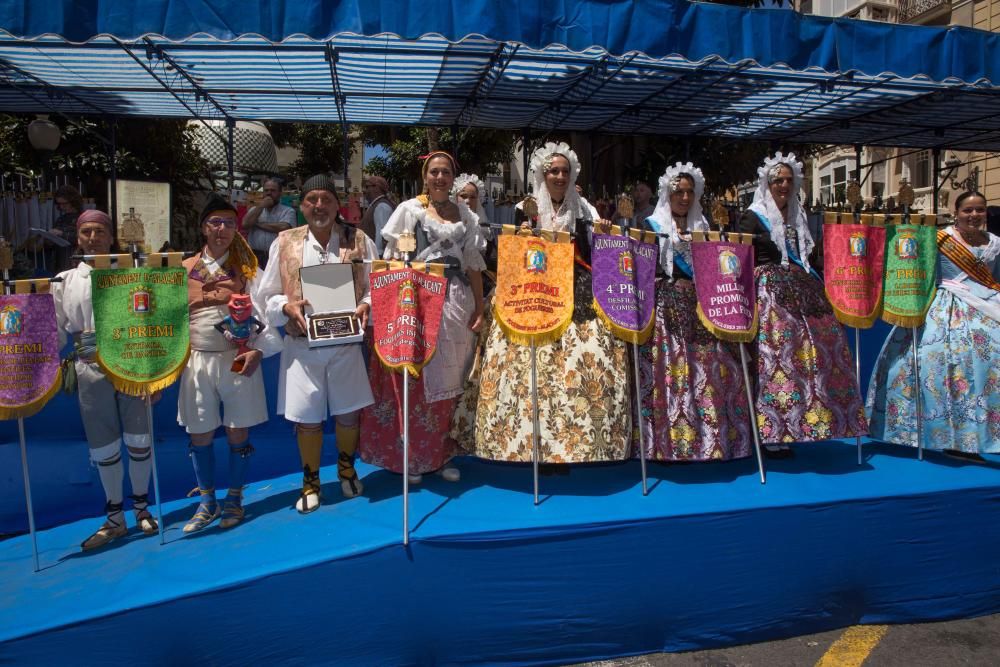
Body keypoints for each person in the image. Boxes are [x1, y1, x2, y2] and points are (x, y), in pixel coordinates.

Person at [452, 142, 631, 464]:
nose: (560, 176)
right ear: (542, 174)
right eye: (554, 171)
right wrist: (522, 238)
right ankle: (532, 444)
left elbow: (594, 255)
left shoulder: (585, 209)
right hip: (534, 294)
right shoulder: (526, 208)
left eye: (565, 171)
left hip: (577, 295)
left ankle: (577, 443)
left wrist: (602, 235)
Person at [360, 152, 486, 483]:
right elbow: (392, 260)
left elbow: (473, 264)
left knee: (453, 379)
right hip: (419, 299)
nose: (440, 177)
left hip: (457, 301)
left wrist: (479, 306)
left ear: (453, 177)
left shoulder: (467, 215)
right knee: (416, 378)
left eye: (445, 172)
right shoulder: (409, 210)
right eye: (434, 172)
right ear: (425, 176)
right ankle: (412, 457)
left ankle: (442, 455)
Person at [257, 175, 376, 513]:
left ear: (337, 204)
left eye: (326, 199)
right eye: (312, 200)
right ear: (302, 205)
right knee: (307, 419)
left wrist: (367, 303)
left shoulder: (360, 240)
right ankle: (310, 481)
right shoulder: (284, 242)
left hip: (346, 343)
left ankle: (346, 469)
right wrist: (285, 306)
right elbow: (267, 294)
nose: (319, 206)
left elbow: (376, 285)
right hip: (303, 345)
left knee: (348, 414)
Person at [738, 152, 866, 458]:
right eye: (777, 180)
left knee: (804, 360)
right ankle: (770, 430)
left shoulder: (799, 214)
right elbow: (740, 258)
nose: (783, 185)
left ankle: (800, 424)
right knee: (774, 359)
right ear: (766, 183)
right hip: (768, 296)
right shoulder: (752, 216)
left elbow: (811, 256)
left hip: (802, 293)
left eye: (788, 180)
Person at [51, 209, 156, 550]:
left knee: (140, 439)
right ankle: (115, 518)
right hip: (90, 365)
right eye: (86, 233)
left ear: (111, 237)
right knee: (104, 445)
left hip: (131, 365)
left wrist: (153, 375)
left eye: (99, 232)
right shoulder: (65, 280)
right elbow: (53, 332)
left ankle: (141, 507)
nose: (93, 238)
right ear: (78, 238)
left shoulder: (135, 273)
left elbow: (154, 323)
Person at [867, 191, 1000, 460]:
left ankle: (984, 436)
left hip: (988, 306)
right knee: (935, 366)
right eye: (968, 210)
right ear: (956, 213)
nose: (974, 215)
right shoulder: (939, 238)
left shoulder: (995, 242)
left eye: (980, 210)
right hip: (944, 309)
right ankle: (945, 436)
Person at [178, 194, 281, 532]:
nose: (221, 229)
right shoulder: (182, 270)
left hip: (237, 359)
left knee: (238, 429)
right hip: (196, 360)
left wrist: (258, 350)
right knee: (200, 431)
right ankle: (207, 501)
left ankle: (234, 498)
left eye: (228, 223)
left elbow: (265, 313)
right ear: (203, 228)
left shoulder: (248, 269)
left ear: (237, 230)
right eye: (215, 223)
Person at [638, 163, 751, 461]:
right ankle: (667, 444)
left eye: (689, 192)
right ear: (668, 193)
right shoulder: (651, 224)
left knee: (708, 372)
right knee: (670, 374)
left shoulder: (705, 227)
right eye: (678, 191)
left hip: (703, 306)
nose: (684, 198)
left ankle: (709, 441)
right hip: (666, 308)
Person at [242, 178, 296, 268]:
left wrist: (257, 224)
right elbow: (245, 224)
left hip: (277, 256)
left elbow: (284, 227)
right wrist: (261, 206)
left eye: (273, 190)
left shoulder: (288, 211)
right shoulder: (254, 210)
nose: (269, 193)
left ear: (280, 193)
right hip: (255, 255)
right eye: (266, 190)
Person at [452, 172, 495, 271]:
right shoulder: (446, 225)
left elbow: (492, 263)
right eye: (463, 196)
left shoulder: (484, 229)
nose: (467, 201)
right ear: (455, 197)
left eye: (472, 197)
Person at [359, 176, 396, 255]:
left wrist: (378, 259)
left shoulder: (382, 206)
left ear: (376, 187)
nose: (364, 191)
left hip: (376, 259)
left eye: (366, 187)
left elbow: (382, 237)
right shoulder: (376, 205)